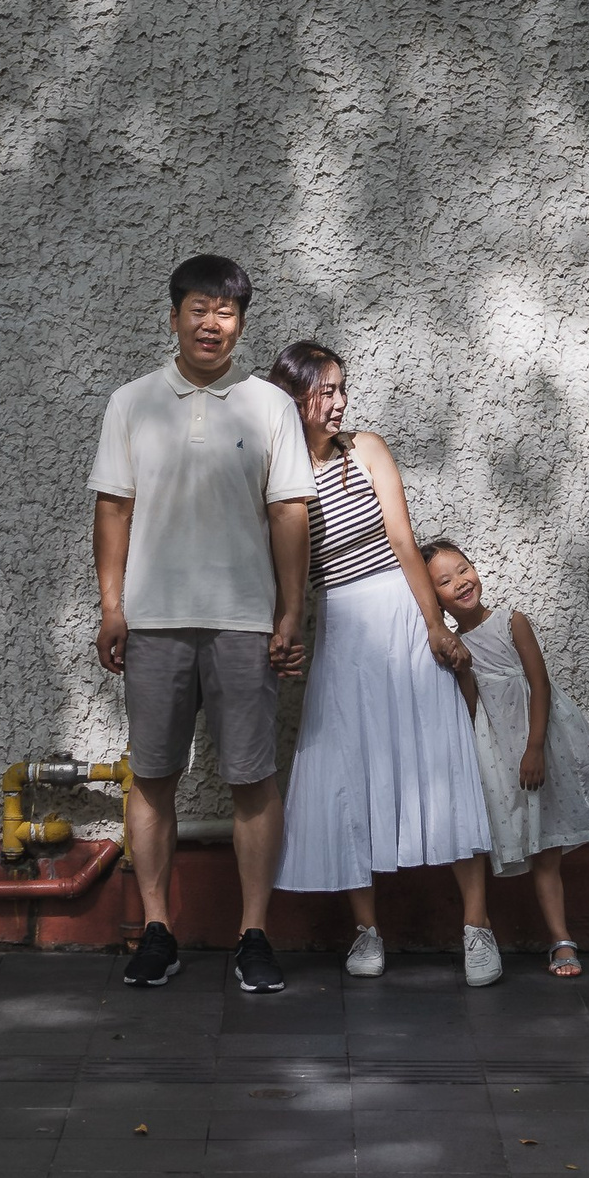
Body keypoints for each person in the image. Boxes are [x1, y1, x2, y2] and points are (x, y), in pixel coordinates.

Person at [88, 254, 316, 995]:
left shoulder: (270, 406)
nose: (210, 322)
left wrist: (290, 609)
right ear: (175, 313)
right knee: (152, 775)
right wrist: (112, 605)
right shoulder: (132, 402)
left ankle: (254, 933)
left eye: (225, 310)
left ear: (242, 322)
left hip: (245, 620)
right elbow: (113, 507)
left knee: (254, 777)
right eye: (198, 307)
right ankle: (157, 929)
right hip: (152, 619)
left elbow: (289, 512)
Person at [270, 343, 500, 985]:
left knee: (443, 759)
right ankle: (367, 931)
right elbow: (286, 574)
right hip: (340, 624)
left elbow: (404, 539)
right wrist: (284, 631)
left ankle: (478, 927)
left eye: (343, 387)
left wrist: (434, 624)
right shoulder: (279, 477)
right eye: (326, 390)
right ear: (295, 398)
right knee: (347, 770)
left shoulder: (367, 449)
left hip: (402, 610)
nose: (339, 401)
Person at [422, 537, 589, 976]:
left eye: (463, 569)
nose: (461, 582)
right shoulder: (454, 650)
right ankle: (561, 940)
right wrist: (461, 667)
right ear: (434, 599)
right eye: (445, 581)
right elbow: (471, 708)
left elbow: (538, 684)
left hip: (551, 738)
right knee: (545, 844)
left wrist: (536, 745)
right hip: (509, 752)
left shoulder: (511, 621)